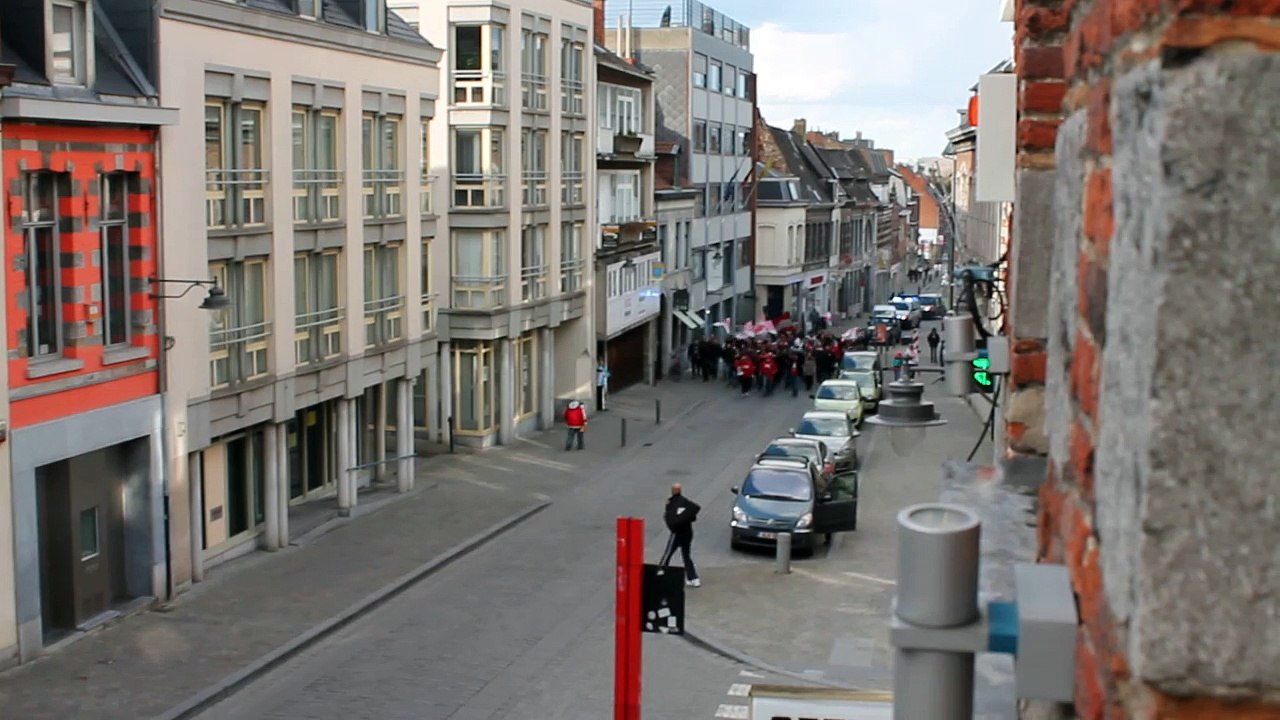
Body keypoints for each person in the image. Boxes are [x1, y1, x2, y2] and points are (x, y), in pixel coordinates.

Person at [660, 483, 701, 587]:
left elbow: (669, 517)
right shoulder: (686, 502)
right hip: (688, 533)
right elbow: (694, 514)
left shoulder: (671, 503)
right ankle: (693, 578)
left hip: (677, 533)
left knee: (668, 553)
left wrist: (676, 523)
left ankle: (660, 572)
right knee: (686, 555)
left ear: (672, 491)